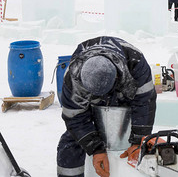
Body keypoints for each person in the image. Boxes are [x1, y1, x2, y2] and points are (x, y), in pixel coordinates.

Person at [57, 36, 157, 177]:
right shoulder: (73, 79)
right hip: (92, 108)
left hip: (125, 101)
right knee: (69, 145)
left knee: (143, 146)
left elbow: (144, 102)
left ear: (116, 76)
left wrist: (138, 140)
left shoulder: (135, 61)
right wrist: (96, 149)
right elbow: (75, 117)